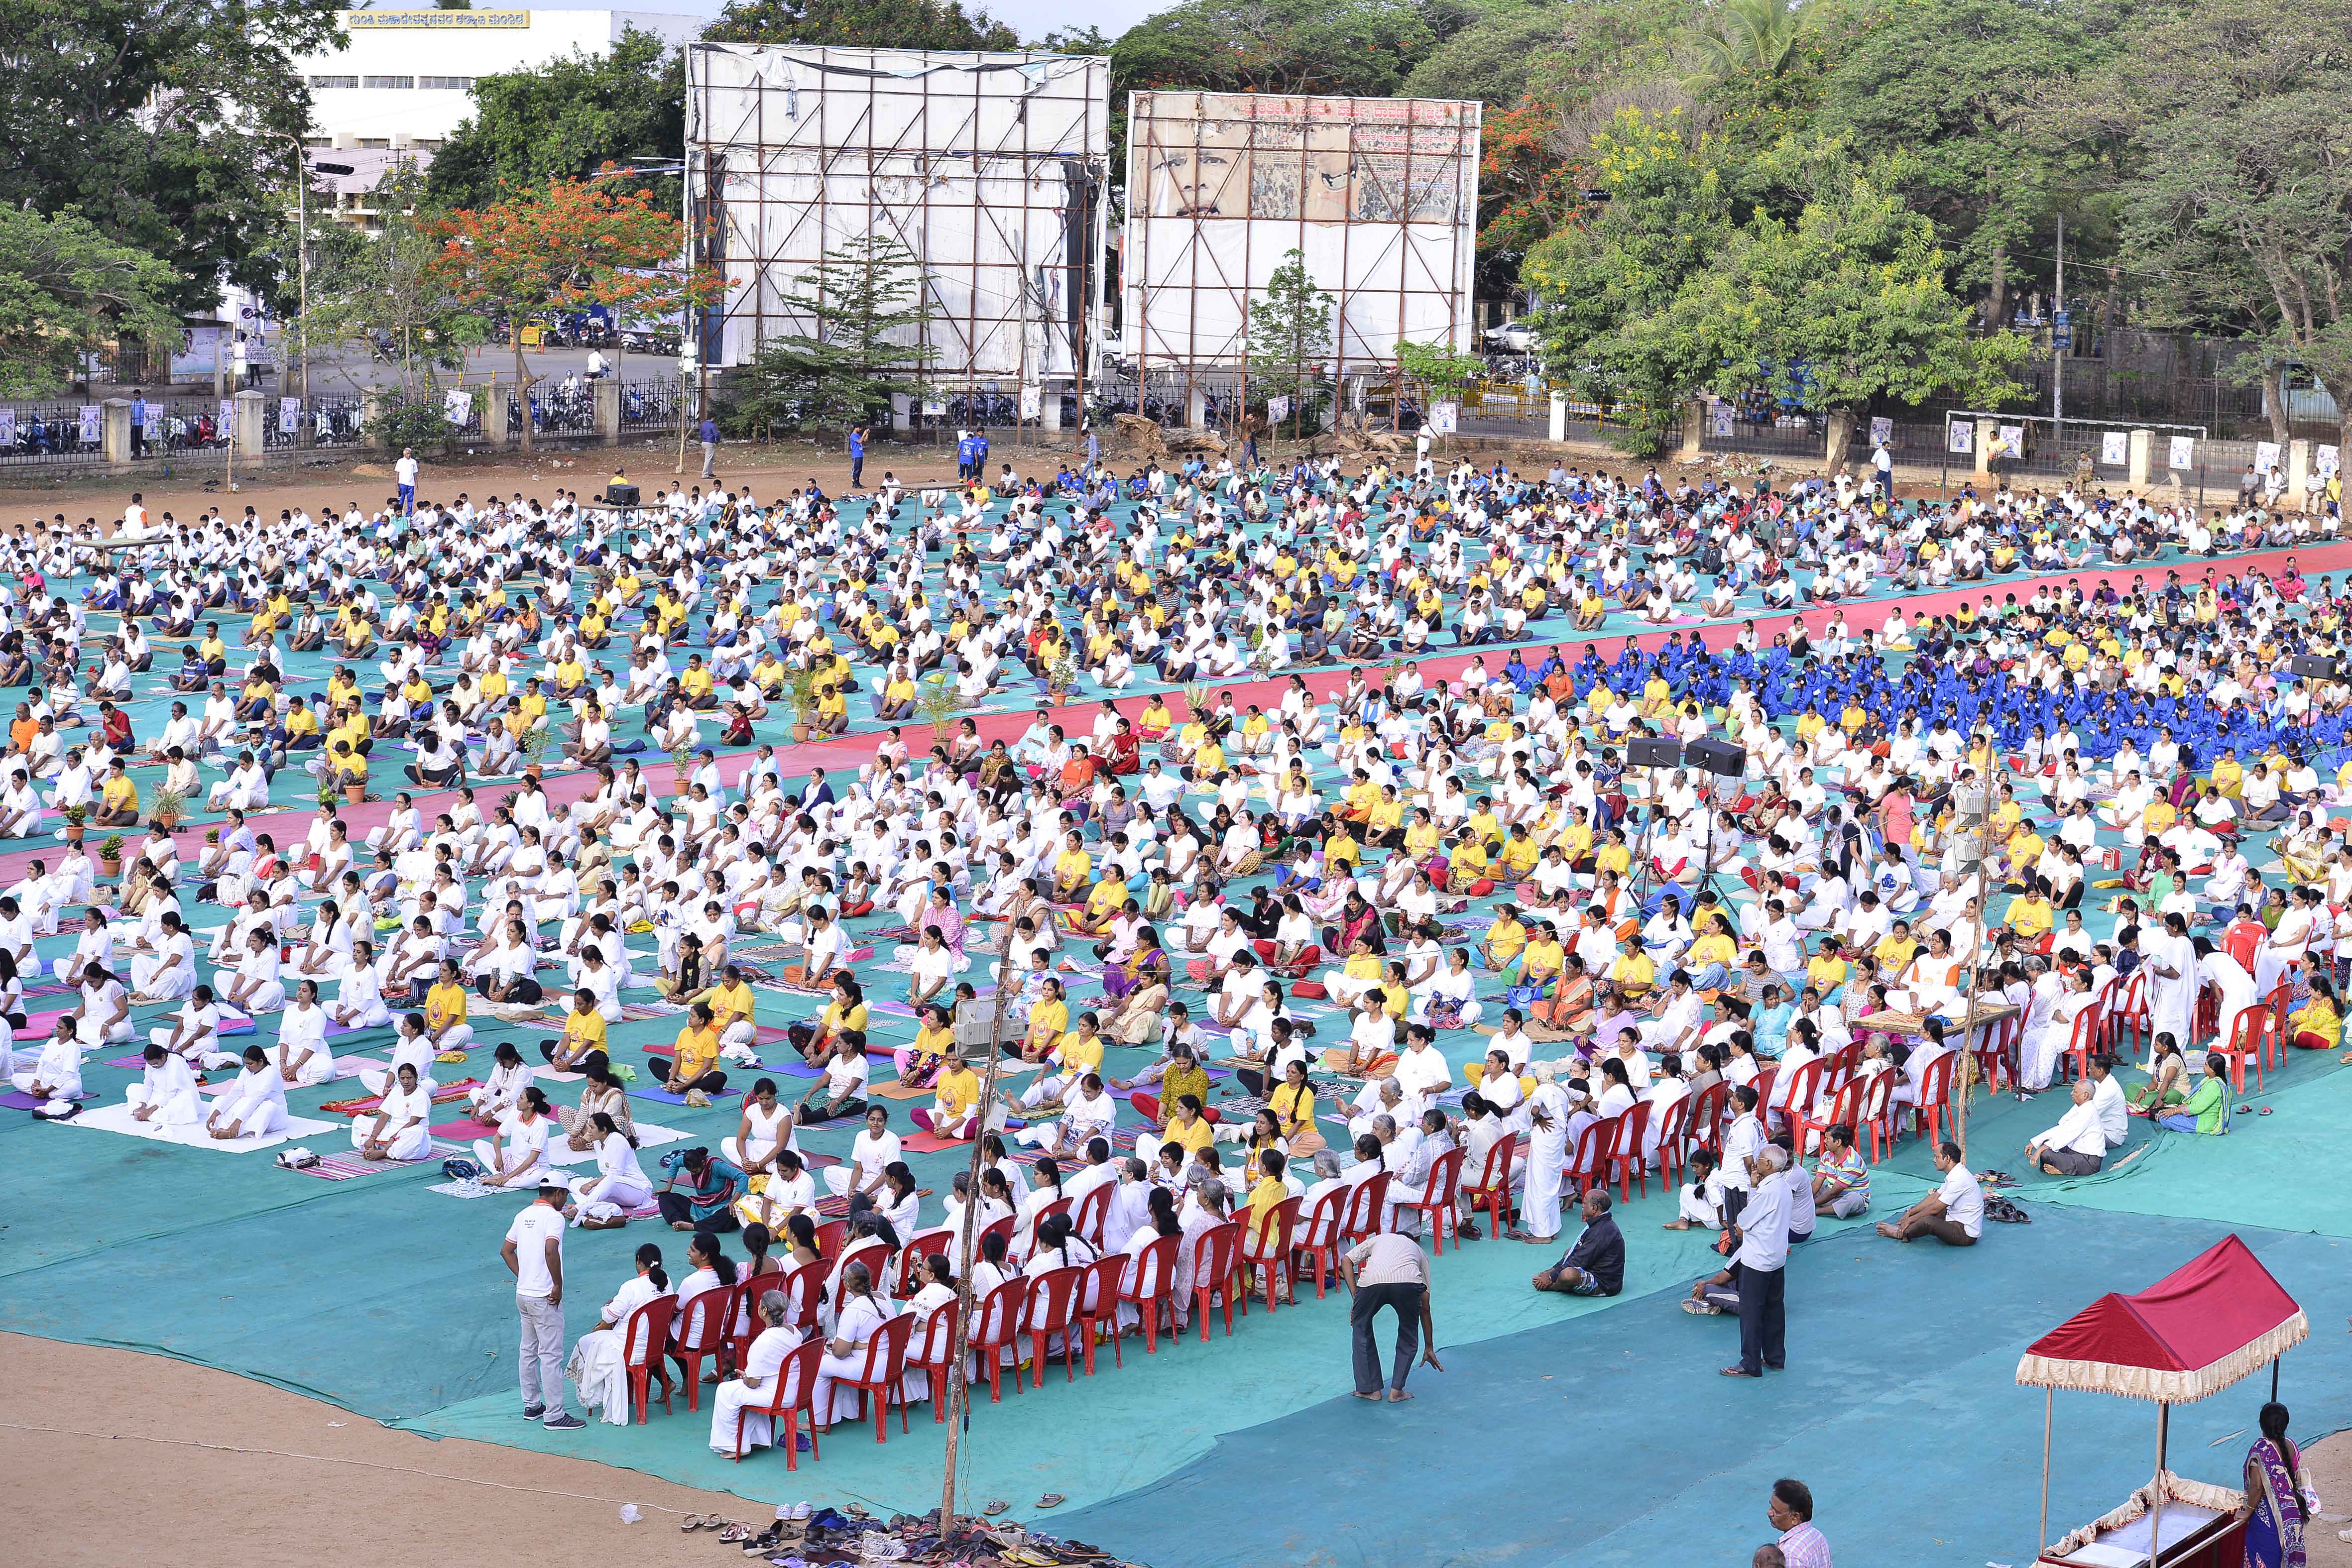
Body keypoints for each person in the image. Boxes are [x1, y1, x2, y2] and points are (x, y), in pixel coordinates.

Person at [500, 1179, 585, 1429]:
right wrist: (557, 1286)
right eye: (565, 1195)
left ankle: (533, 1405)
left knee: (528, 1350)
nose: (565, 1200)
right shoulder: (554, 1218)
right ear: (558, 1193)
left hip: (523, 1295)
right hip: (544, 1297)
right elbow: (551, 1250)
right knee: (550, 1355)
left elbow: (506, 1251)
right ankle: (555, 1414)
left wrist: (524, 1275)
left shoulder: (523, 1214)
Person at [566, 1241, 674, 1423]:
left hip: (629, 1349)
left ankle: (591, 1395)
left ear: (638, 1261)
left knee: (586, 1342)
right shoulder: (666, 1282)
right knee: (598, 1339)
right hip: (655, 1347)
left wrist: (607, 1306)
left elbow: (609, 1317)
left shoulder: (631, 1287)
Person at [1343, 1227, 1440, 1402]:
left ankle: (1369, 1390)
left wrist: (1356, 1298)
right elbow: (1425, 1307)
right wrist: (1429, 1347)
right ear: (1412, 1241)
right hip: (1408, 1283)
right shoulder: (1420, 1252)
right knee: (1409, 1331)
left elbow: (1346, 1260)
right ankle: (1396, 1391)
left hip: (1372, 1282)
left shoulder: (1380, 1239)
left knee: (1361, 1325)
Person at [707, 1289, 807, 1456]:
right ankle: (759, 1439)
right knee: (740, 1390)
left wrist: (745, 1376)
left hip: (777, 1395)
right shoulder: (794, 1331)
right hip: (795, 1390)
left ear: (765, 1311)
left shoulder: (763, 1342)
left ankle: (734, 1446)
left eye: (760, 1304)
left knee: (725, 1391)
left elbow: (753, 1383)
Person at [1722, 1144, 1791, 1377]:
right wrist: (1753, 1186)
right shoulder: (1782, 1187)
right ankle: (1775, 1358)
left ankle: (1750, 1363)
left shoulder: (1767, 1192)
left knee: (1751, 1312)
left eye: (1760, 1159)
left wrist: (1743, 1227)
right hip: (1776, 1259)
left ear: (1769, 1165)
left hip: (1758, 1261)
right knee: (1774, 1309)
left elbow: (1744, 1218)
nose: (1756, 1162)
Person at [2244, 1401, 2314, 1568]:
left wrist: (2247, 1512)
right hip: (2291, 1516)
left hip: (2268, 1520)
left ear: (2261, 1425)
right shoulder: (2291, 1445)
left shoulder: (2261, 1450)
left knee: (2263, 1559)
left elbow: (2257, 1487)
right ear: (2286, 1425)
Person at [1876, 1140, 1982, 1245]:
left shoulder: (1959, 1179)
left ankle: (1901, 1233)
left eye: (1937, 1157)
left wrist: (1910, 1220)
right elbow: (1934, 1197)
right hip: (1954, 1219)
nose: (1934, 1160)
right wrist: (1911, 1212)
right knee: (1925, 1210)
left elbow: (1935, 1207)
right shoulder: (1955, 1174)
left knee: (1928, 1221)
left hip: (1965, 1233)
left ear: (1948, 1159)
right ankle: (1907, 1227)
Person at [1530, 1188, 1624, 1296]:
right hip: (1594, 1269)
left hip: (1605, 1285)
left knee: (1569, 1275)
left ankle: (1553, 1287)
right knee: (1570, 1251)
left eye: (1585, 1204)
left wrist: (1551, 1277)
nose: (1582, 1206)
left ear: (1594, 1208)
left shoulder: (1602, 1231)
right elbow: (1575, 1253)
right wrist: (1551, 1271)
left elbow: (1580, 1260)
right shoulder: (1600, 1223)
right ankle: (1552, 1277)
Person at [2024, 1080, 2109, 1176]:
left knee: (2046, 1153)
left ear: (2085, 1095)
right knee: (2046, 1144)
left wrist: (2040, 1150)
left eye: (2075, 1092)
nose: (2071, 1093)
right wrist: (2035, 1142)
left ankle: (2062, 1171)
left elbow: (2068, 1135)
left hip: (2088, 1162)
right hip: (2075, 1151)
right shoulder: (2080, 1107)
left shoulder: (2088, 1112)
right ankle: (2062, 1167)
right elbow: (2062, 1128)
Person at [1768, 1478, 1832, 1568]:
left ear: (1795, 1518)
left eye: (1777, 1512)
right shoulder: (1818, 1537)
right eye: (1771, 1506)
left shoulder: (1790, 1556)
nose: (1770, 1513)